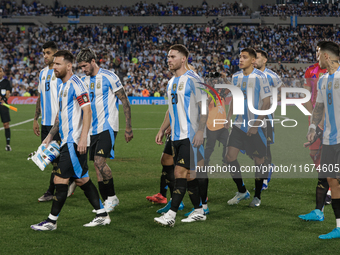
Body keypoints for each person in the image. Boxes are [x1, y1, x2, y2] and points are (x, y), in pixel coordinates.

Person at [30, 50, 110, 231]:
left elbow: (87, 111)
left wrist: (83, 138)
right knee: (82, 180)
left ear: (68, 66)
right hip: (67, 140)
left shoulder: (77, 84)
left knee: (60, 179)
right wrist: (50, 136)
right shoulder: (62, 86)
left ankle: (51, 221)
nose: (54, 68)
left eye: (57, 64)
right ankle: (102, 214)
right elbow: (60, 116)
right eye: (53, 64)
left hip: (74, 142)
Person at [154, 44, 207, 227]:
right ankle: (199, 211)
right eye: (168, 56)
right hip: (175, 136)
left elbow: (204, 106)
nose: (168, 59)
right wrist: (162, 129)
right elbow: (171, 110)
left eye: (173, 56)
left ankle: (171, 216)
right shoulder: (171, 83)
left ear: (183, 59)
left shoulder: (193, 79)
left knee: (179, 173)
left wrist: (200, 131)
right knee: (190, 176)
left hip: (190, 135)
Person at [77, 48, 133, 212]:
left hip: (107, 126)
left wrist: (128, 127)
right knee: (96, 165)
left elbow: (125, 101)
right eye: (80, 67)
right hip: (91, 130)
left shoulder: (109, 76)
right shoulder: (83, 81)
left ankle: (112, 197)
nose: (83, 69)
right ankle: (107, 200)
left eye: (85, 66)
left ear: (93, 61)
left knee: (100, 162)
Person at [226, 47, 271, 207]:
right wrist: (227, 117)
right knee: (229, 157)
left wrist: (256, 124)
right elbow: (234, 99)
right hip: (238, 125)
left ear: (253, 60)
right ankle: (242, 191)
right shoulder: (236, 77)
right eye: (240, 56)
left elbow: (267, 103)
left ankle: (257, 196)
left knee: (259, 161)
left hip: (256, 127)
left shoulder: (260, 77)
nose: (240, 59)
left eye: (244, 57)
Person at [306, 41, 340, 239]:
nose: (317, 57)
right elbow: (319, 107)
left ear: (326, 56)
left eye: (319, 54)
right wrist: (312, 128)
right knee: (331, 181)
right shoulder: (322, 80)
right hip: (328, 139)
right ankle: (338, 227)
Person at [299, 41, 331, 222]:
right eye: (316, 51)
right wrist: (313, 120)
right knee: (315, 154)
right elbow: (307, 96)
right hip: (317, 120)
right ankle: (319, 210)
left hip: (333, 125)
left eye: (320, 52)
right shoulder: (312, 71)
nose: (317, 54)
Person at [33, 41, 63, 202]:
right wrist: (35, 119)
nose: (45, 56)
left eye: (48, 53)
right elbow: (40, 97)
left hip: (57, 124)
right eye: (43, 53)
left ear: (55, 53)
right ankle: (71, 179)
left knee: (54, 159)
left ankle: (51, 191)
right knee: (50, 159)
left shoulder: (60, 72)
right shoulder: (42, 73)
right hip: (45, 123)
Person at [254, 49, 283, 190]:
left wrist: (272, 100)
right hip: (251, 116)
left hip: (266, 117)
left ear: (264, 60)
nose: (254, 60)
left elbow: (282, 90)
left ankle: (264, 178)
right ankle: (267, 168)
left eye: (257, 58)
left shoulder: (271, 75)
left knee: (265, 147)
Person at [0, 67, 12, 151]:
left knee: (6, 124)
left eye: (0, 71)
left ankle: (8, 145)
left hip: (3, 105)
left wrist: (3, 100)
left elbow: (7, 93)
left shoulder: (6, 82)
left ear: (3, 72)